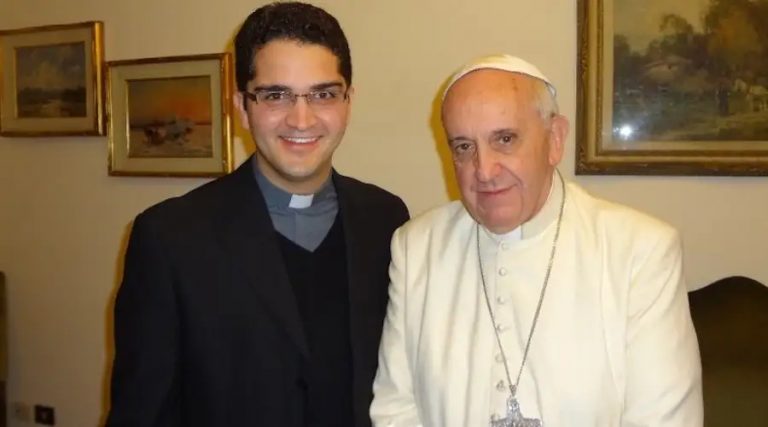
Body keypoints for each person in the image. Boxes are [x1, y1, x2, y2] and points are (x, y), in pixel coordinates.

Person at [106, 3, 409, 427]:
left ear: (348, 101)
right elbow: (142, 413)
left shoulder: (386, 220)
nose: (301, 119)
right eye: (275, 95)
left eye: (323, 94)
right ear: (241, 107)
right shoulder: (170, 239)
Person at [370, 54, 702, 427]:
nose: (484, 170)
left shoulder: (640, 251)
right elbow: (395, 408)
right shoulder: (417, 248)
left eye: (505, 139)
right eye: (464, 147)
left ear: (555, 140)